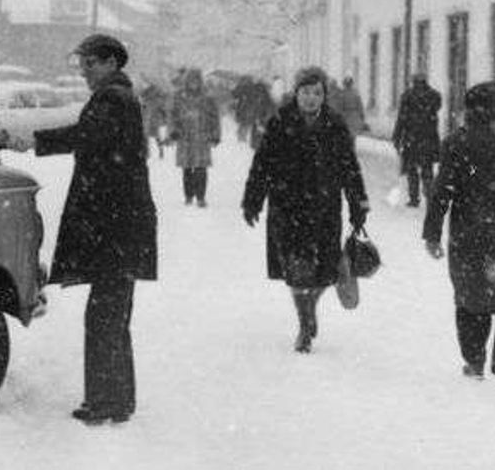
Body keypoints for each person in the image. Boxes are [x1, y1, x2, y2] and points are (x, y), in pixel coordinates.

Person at [33, 33, 157, 425]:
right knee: (113, 316)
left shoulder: (113, 99)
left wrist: (34, 139)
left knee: (104, 317)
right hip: (123, 225)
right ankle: (116, 400)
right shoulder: (118, 97)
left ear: (109, 63)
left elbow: (84, 136)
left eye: (89, 64)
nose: (84, 72)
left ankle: (106, 402)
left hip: (117, 226)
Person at [242, 66, 370, 353]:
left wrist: (358, 202)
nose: (311, 98)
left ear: (324, 95)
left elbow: (349, 167)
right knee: (298, 269)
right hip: (289, 209)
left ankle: (310, 305)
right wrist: (252, 199)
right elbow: (262, 164)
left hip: (325, 208)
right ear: (296, 93)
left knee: (325, 270)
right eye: (305, 92)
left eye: (317, 93)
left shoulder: (335, 125)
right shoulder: (279, 122)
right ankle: (304, 324)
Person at [422, 81, 495, 379]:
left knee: (471, 298)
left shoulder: (456, 142)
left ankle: (474, 360)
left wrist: (432, 232)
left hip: (469, 234)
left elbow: (441, 192)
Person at [168, 67, 221, 207]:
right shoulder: (179, 96)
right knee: (187, 169)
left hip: (202, 138)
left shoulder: (207, 97)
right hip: (184, 137)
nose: (194, 83)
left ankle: (201, 197)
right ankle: (188, 195)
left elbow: (214, 117)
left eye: (196, 80)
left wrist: (215, 134)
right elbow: (172, 116)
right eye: (191, 80)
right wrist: (173, 131)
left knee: (201, 169)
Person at [393, 73, 442, 208]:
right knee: (427, 171)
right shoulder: (434, 96)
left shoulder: (408, 96)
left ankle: (414, 198)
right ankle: (430, 197)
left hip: (412, 139)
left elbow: (401, 119)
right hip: (428, 139)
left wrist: (397, 137)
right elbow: (437, 109)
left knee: (412, 170)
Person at [139, 81, 170, 159]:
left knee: (147, 137)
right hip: (152, 120)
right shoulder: (154, 99)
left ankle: (150, 152)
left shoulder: (147, 99)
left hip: (148, 120)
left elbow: (162, 109)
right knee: (154, 137)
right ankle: (159, 151)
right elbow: (162, 109)